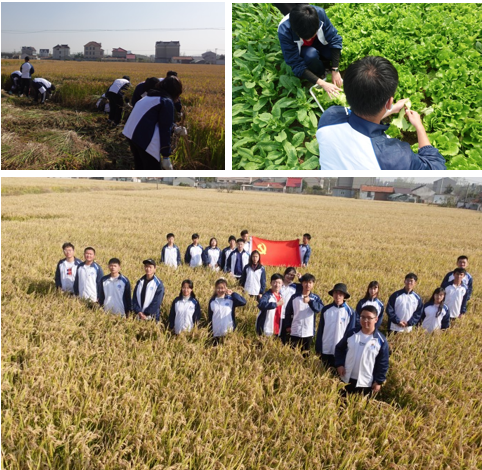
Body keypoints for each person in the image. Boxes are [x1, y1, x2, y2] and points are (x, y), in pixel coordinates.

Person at [316, 56, 447, 170]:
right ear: (389, 102)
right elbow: (436, 167)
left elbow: (359, 121)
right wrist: (419, 127)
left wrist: (391, 109)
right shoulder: (393, 156)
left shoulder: (330, 116)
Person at [277, 4, 343, 97]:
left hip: (319, 42)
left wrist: (335, 69)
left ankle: (326, 64)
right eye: (305, 37)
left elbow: (334, 39)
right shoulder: (284, 31)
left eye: (312, 35)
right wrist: (322, 83)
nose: (308, 39)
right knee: (311, 55)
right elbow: (295, 63)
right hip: (305, 50)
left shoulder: (319, 14)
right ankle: (321, 73)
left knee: (330, 53)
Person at [122, 76, 182, 170]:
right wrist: (166, 156)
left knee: (140, 166)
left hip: (130, 133)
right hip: (143, 137)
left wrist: (175, 128)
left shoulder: (149, 97)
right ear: (175, 92)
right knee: (153, 169)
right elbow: (164, 128)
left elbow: (156, 119)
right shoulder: (165, 101)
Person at [335, 305, 389, 396]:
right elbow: (339, 348)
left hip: (365, 383)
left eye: (369, 318)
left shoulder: (381, 341)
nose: (365, 320)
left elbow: (383, 363)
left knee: (359, 408)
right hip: (346, 379)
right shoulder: (351, 333)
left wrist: (379, 381)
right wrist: (339, 364)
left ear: (376, 319)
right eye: (362, 317)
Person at [315, 283, 355, 368]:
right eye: (336, 293)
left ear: (344, 296)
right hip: (326, 347)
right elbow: (321, 329)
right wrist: (318, 346)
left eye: (340, 293)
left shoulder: (350, 312)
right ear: (332, 294)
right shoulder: (326, 310)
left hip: (340, 349)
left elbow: (350, 332)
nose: (338, 296)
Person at [283, 273, 323, 354]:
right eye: (306, 282)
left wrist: (310, 302)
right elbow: (288, 312)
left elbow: (319, 309)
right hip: (295, 330)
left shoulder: (315, 298)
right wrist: (287, 325)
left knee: (305, 354)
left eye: (310, 283)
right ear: (302, 283)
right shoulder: (294, 297)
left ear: (313, 284)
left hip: (308, 331)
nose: (308, 285)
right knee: (291, 353)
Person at [279, 267, 302, 344]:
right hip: (278, 313)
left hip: (290, 315)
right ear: (284, 274)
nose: (290, 276)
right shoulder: (279, 285)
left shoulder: (296, 286)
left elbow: (305, 287)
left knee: (288, 336)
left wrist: (301, 279)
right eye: (288, 274)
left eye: (292, 275)